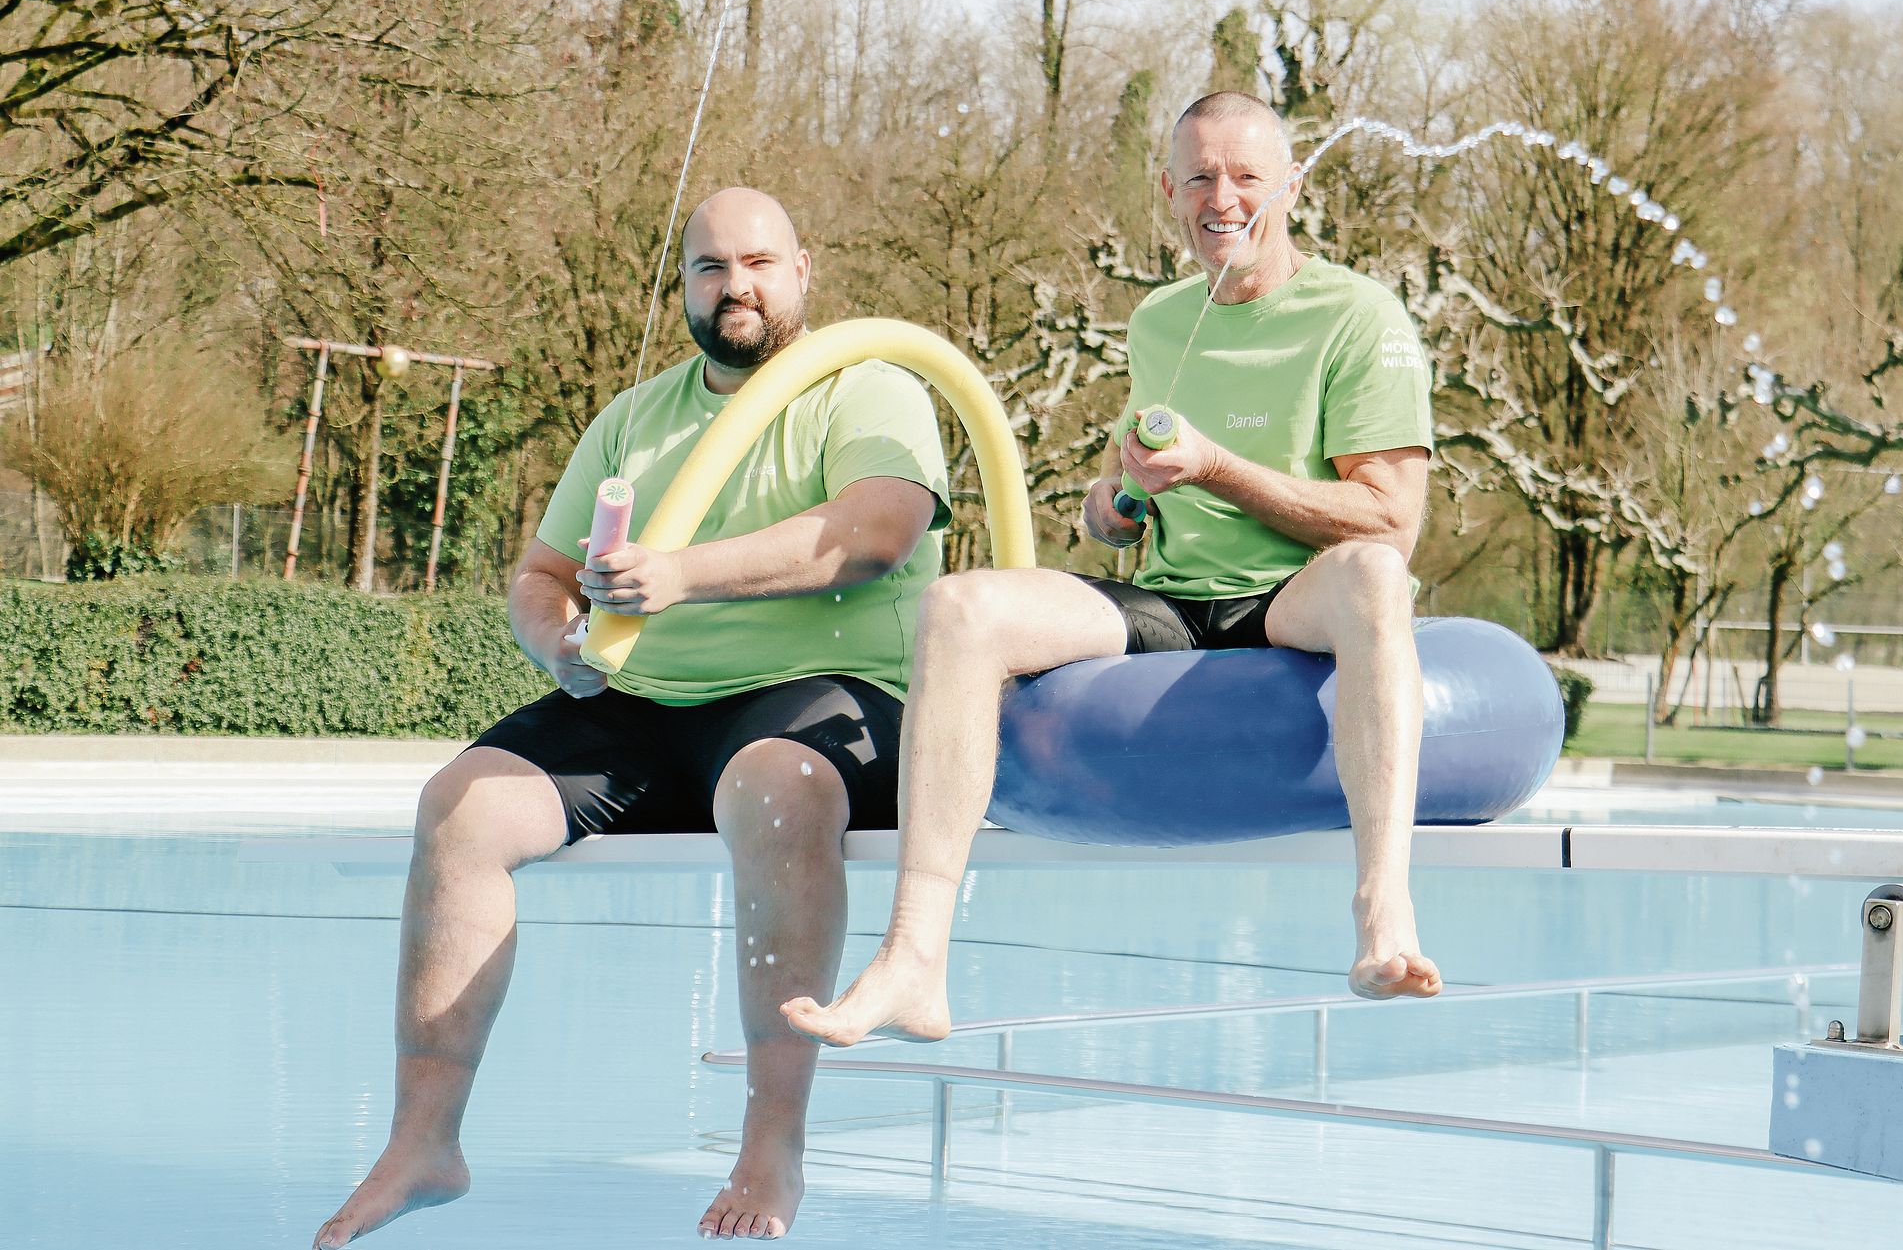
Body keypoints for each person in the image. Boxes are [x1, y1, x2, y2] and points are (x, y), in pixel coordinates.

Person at [312, 187, 951, 1247]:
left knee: (775, 784)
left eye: (756, 261)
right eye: (709, 267)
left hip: (826, 694)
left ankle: (772, 1142)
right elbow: (542, 575)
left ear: (803, 270)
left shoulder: (868, 388)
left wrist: (681, 574)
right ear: (685, 285)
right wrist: (551, 638)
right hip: (648, 703)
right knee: (459, 807)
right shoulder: (637, 417)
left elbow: (872, 534)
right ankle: (425, 1140)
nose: (734, 285)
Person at [782, 92, 1442, 1051]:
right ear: (1170, 191)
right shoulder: (1161, 321)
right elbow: (1133, 504)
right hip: (1172, 599)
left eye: (1248, 176)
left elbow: (1391, 518)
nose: (1224, 197)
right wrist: (1116, 503)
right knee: (960, 605)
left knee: (1377, 578)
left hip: (1297, 598)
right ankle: (915, 957)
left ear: (1292, 186)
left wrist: (1215, 466)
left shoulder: (1359, 316)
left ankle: (1384, 909)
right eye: (1201, 177)